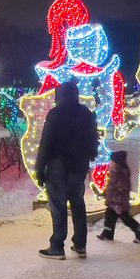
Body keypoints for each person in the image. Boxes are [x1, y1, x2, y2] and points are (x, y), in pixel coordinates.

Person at [34, 81, 100, 260]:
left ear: (60, 95)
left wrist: (39, 170)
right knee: (78, 205)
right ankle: (80, 245)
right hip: (79, 167)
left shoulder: (55, 114)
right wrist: (90, 155)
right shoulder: (85, 113)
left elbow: (45, 143)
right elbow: (94, 137)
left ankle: (57, 246)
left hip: (58, 167)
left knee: (58, 206)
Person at [97, 150, 140, 243]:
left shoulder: (121, 174)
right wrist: (106, 193)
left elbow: (122, 189)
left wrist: (118, 204)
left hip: (119, 203)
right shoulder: (114, 172)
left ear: (117, 163)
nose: (110, 163)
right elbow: (111, 186)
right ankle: (108, 233)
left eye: (112, 161)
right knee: (109, 217)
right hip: (113, 202)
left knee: (126, 219)